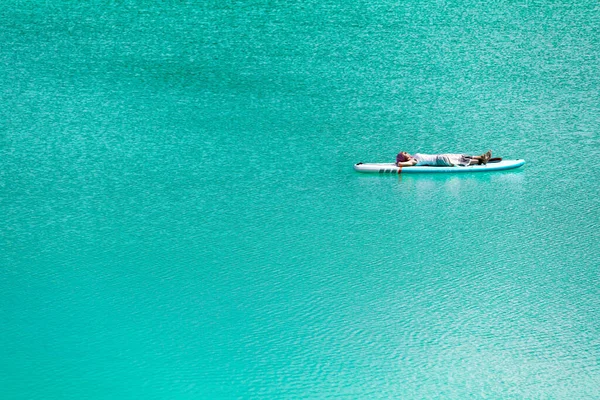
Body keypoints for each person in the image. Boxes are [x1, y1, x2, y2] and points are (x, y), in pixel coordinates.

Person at [396, 150, 492, 167]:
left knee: (460, 156)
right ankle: (480, 161)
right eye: (404, 153)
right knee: (459, 161)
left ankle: (481, 158)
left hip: (440, 157)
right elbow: (402, 164)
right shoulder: (413, 160)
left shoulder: (414, 158)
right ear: (405, 157)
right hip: (439, 160)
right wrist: (399, 164)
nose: (407, 152)